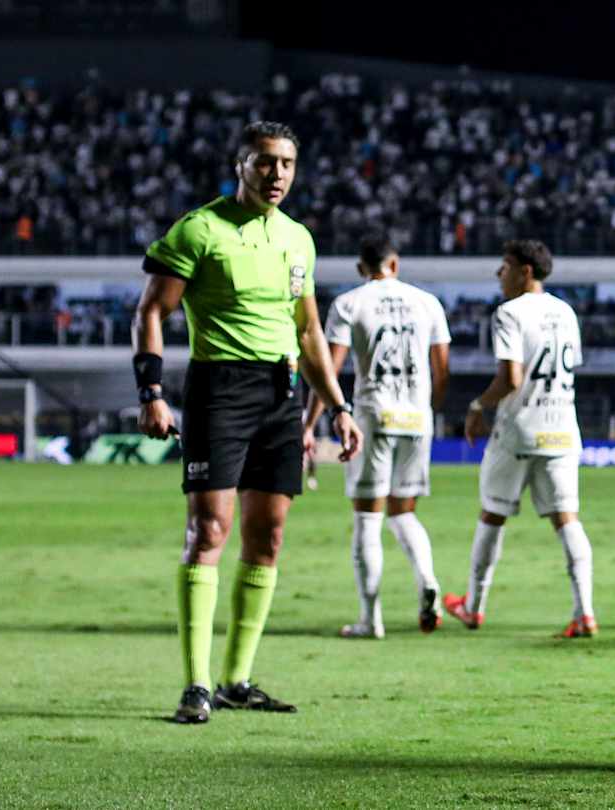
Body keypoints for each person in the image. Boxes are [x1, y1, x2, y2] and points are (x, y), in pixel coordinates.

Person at [134, 121, 363, 725]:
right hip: (219, 390)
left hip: (280, 394)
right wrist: (151, 392)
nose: (276, 173)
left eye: (286, 163)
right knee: (209, 530)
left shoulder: (298, 239)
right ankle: (196, 685)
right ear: (241, 166)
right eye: (264, 161)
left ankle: (236, 679)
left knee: (269, 536)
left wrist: (338, 406)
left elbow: (308, 332)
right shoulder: (199, 229)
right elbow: (151, 311)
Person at [443, 239, 598, 638]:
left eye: (505, 266)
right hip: (562, 429)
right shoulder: (565, 312)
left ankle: (474, 607)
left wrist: (478, 406)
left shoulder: (510, 312)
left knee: (492, 514)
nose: (499, 273)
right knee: (567, 519)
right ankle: (585, 613)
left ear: (525, 271)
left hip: (519, 430)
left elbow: (511, 378)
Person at [305, 234, 452, 639]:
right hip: (417, 419)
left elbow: (328, 370)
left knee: (367, 519)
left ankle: (371, 620)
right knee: (403, 512)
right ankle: (427, 580)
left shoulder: (349, 303)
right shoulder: (428, 302)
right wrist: (428, 408)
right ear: (395, 264)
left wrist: (310, 422)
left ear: (361, 268)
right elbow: (442, 371)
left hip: (374, 416)